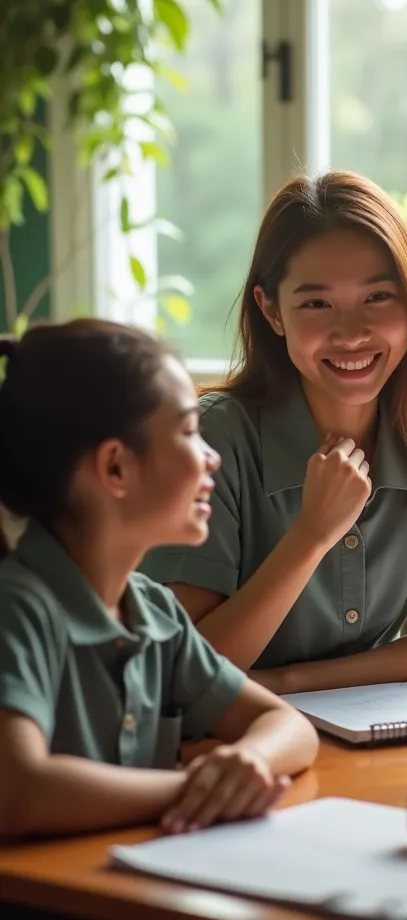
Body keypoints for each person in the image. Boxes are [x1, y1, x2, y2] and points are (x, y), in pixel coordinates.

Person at [144, 171, 407, 695]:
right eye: (316, 303)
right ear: (271, 311)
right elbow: (186, 670)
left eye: (378, 297)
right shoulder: (212, 441)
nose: (351, 332)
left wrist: (289, 682)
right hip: (221, 745)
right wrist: (312, 536)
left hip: (361, 737)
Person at [0, 321, 318, 840]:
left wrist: (245, 762)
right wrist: (190, 788)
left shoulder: (152, 610)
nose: (211, 457)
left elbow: (290, 729)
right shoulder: (19, 609)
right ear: (117, 468)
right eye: (190, 432)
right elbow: (17, 792)